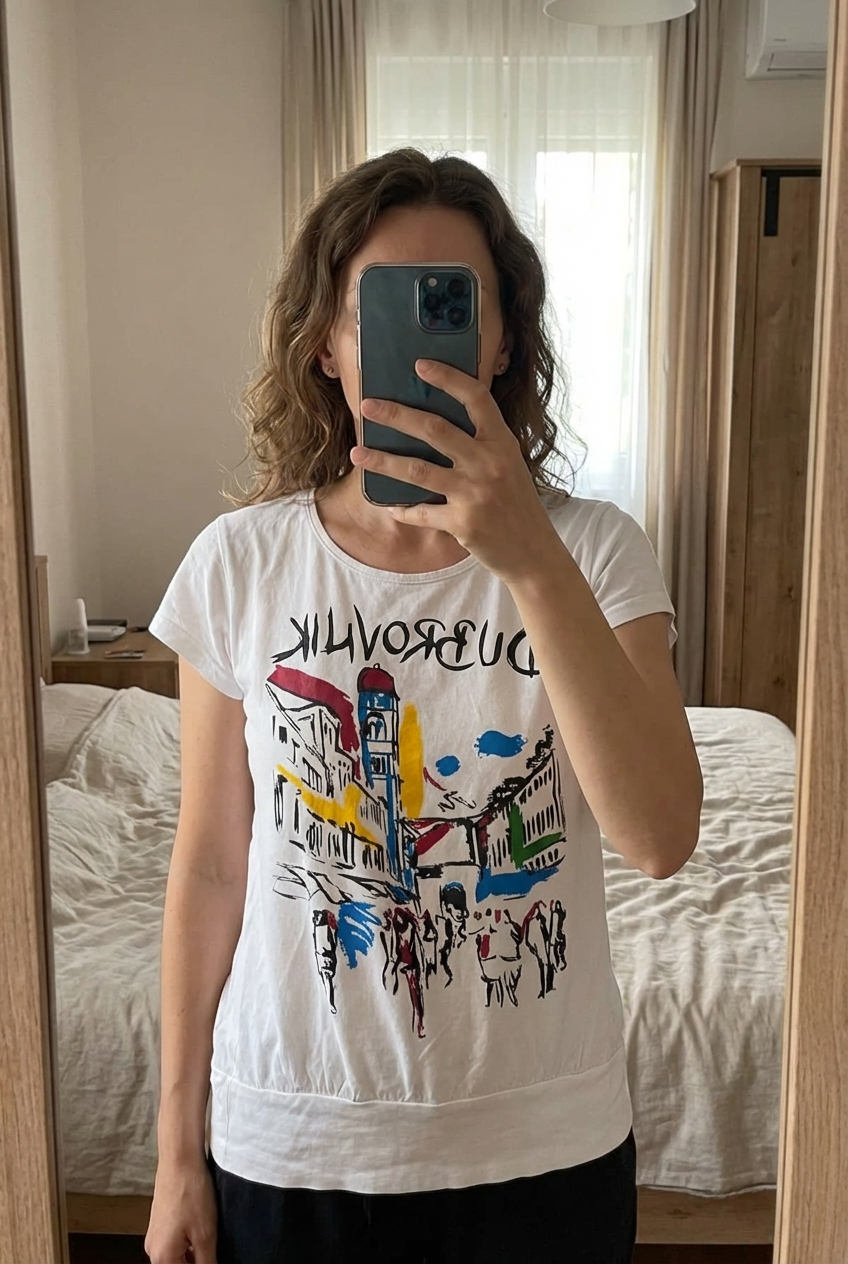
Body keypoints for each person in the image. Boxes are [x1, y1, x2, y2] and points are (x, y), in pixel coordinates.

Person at [143, 148, 703, 1264]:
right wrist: (174, 1152)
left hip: (544, 1147)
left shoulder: (596, 550)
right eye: (383, 310)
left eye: (455, 305)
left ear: (502, 341)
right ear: (326, 342)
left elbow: (657, 835)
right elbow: (208, 866)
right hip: (293, 1142)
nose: (425, 345)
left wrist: (527, 557)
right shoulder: (238, 563)